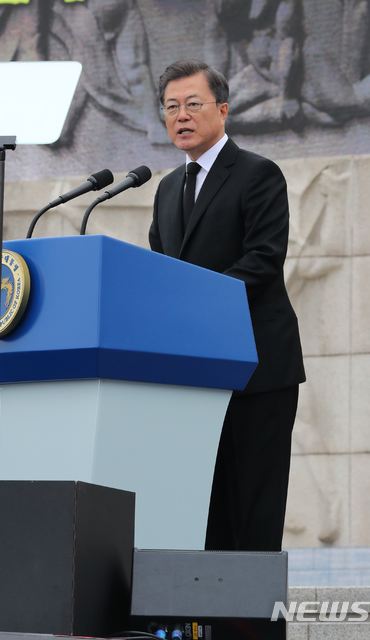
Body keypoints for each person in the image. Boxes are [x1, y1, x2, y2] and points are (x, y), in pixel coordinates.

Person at [149, 58, 305, 551]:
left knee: (253, 510)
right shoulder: (167, 187)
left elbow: (262, 262)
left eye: (193, 104)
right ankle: (210, 623)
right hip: (197, 375)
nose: (182, 116)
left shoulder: (259, 175)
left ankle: (251, 626)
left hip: (257, 368)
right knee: (205, 512)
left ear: (223, 109)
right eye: (171, 107)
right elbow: (161, 270)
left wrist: (191, 301)